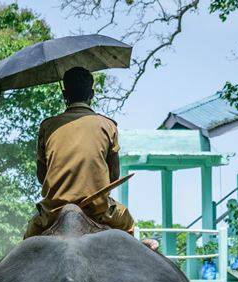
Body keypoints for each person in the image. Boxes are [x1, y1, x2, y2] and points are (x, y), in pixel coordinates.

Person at [25, 67, 158, 250]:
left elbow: (42, 177)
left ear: (65, 94)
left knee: (26, 243)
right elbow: (114, 176)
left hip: (53, 211)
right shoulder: (108, 125)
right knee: (127, 222)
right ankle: (135, 251)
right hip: (98, 209)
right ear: (92, 93)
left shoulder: (48, 126)